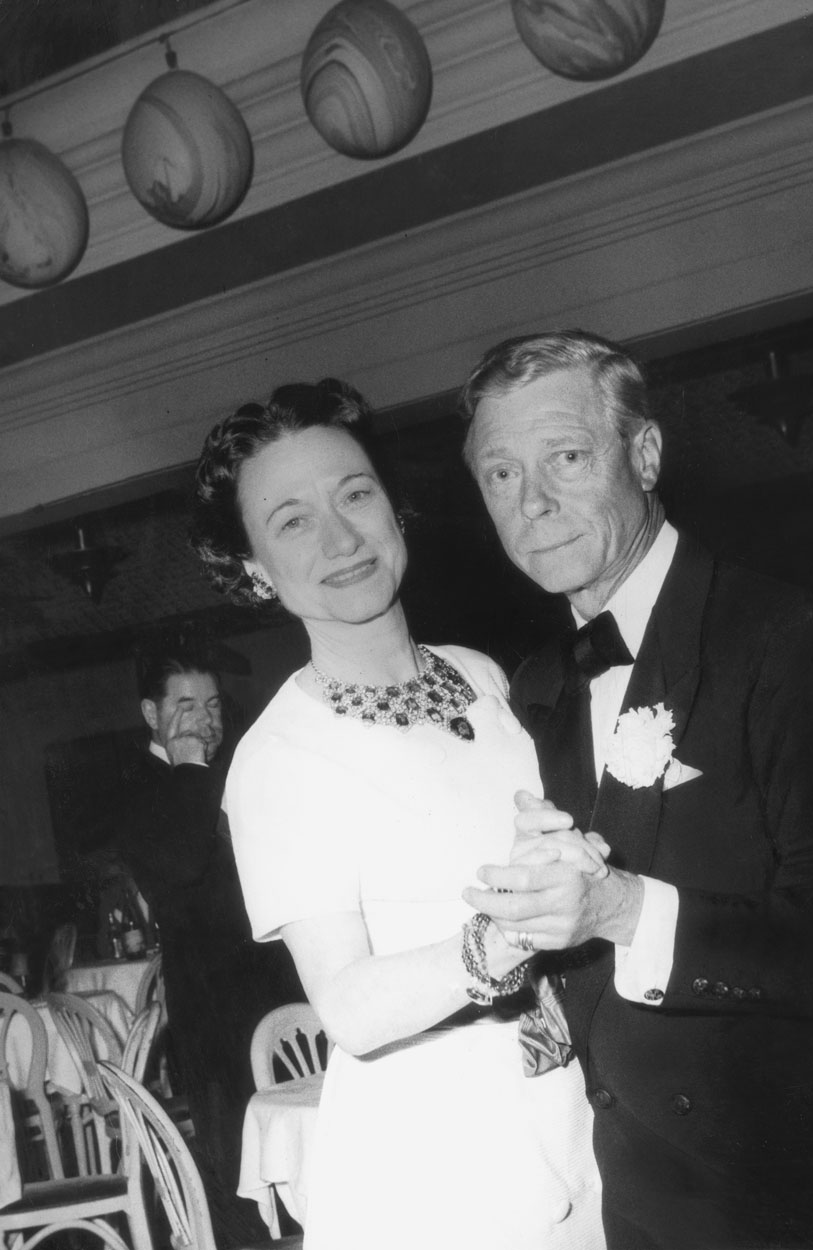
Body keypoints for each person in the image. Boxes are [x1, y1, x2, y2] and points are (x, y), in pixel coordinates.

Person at [459, 329, 813, 1250]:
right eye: (502, 474)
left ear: (646, 452)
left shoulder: (796, 637)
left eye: (567, 456)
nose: (534, 501)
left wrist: (626, 909)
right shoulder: (530, 689)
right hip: (646, 1204)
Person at [191, 378, 606, 1250]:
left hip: (570, 1113)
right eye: (292, 520)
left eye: (355, 494)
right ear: (252, 570)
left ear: (396, 508)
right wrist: (505, 936)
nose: (341, 536)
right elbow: (345, 1007)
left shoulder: (482, 676)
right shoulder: (280, 760)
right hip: (431, 1168)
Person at [102, 652, 301, 1246]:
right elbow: (182, 862)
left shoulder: (230, 769)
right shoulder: (135, 786)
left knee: (296, 1141)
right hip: (213, 1001)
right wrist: (189, 765)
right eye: (184, 705)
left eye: (212, 705)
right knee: (242, 1157)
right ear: (150, 713)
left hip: (277, 983)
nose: (203, 720)